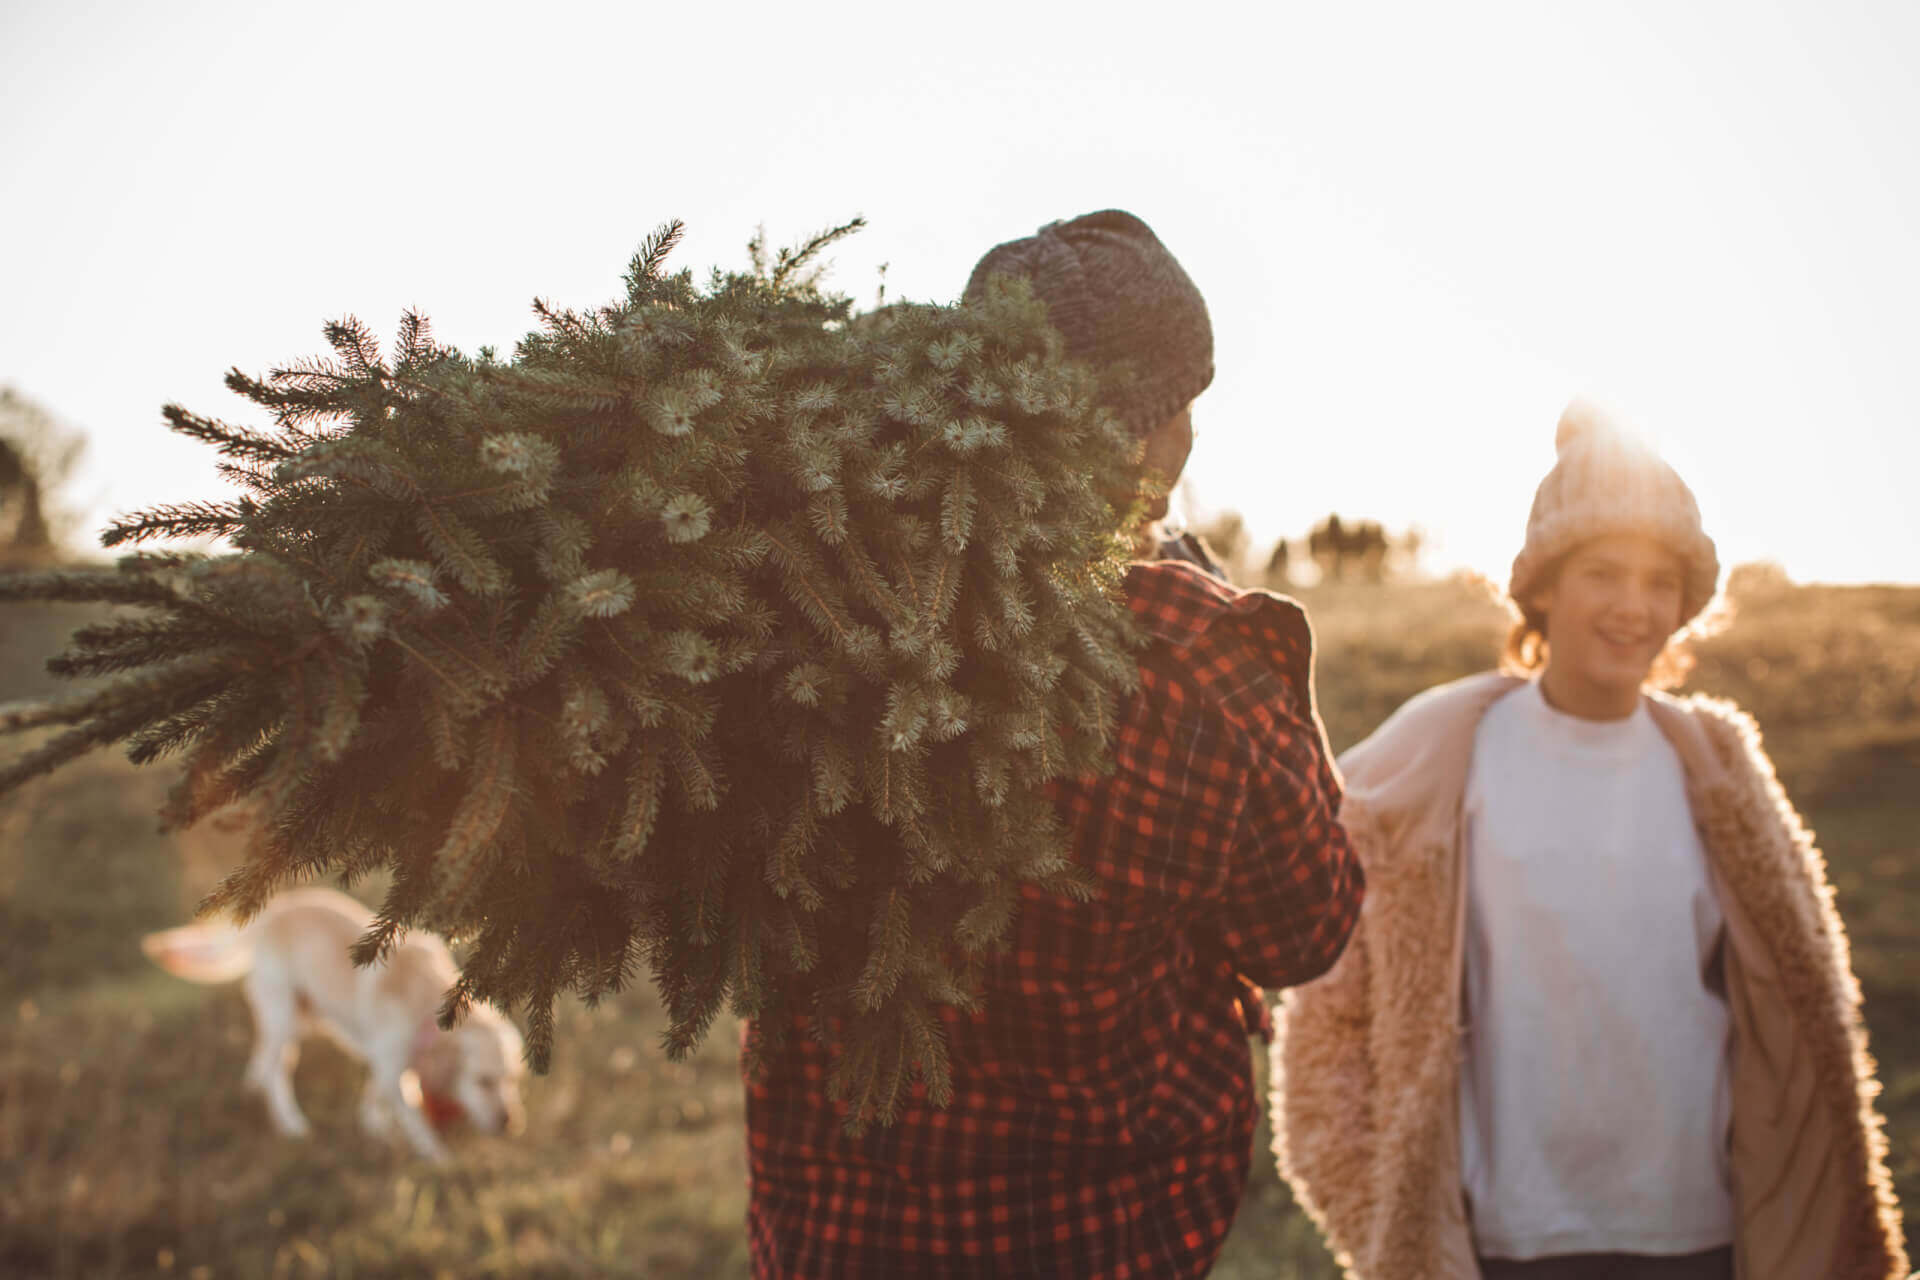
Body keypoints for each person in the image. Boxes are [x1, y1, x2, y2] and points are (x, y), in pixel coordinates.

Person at [743, 209, 1366, 1278]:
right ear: (1141, 437)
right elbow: (1307, 928)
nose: (1192, 432)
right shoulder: (1193, 662)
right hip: (1092, 1235)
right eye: (1184, 402)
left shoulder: (802, 615)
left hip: (839, 1233)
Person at [1272, 401, 1909, 1279]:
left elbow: (1811, 1014)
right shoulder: (1434, 764)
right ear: (1542, 587)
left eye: (1660, 582)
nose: (1633, 607)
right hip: (1508, 1242)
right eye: (1604, 573)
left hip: (1700, 1235)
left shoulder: (1718, 770)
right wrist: (1384, 1219)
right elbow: (1329, 1032)